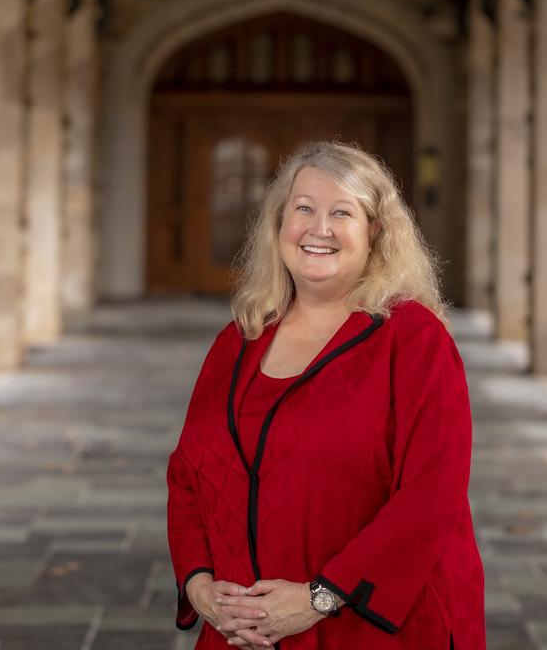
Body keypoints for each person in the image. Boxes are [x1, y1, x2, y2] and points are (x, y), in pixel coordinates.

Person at [166, 141, 485, 649]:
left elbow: (433, 492)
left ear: (374, 231)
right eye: (304, 209)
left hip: (371, 629)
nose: (320, 229)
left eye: (342, 212)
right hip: (243, 635)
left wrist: (319, 597)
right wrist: (200, 583)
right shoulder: (241, 338)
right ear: (279, 224)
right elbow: (187, 473)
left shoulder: (413, 339)